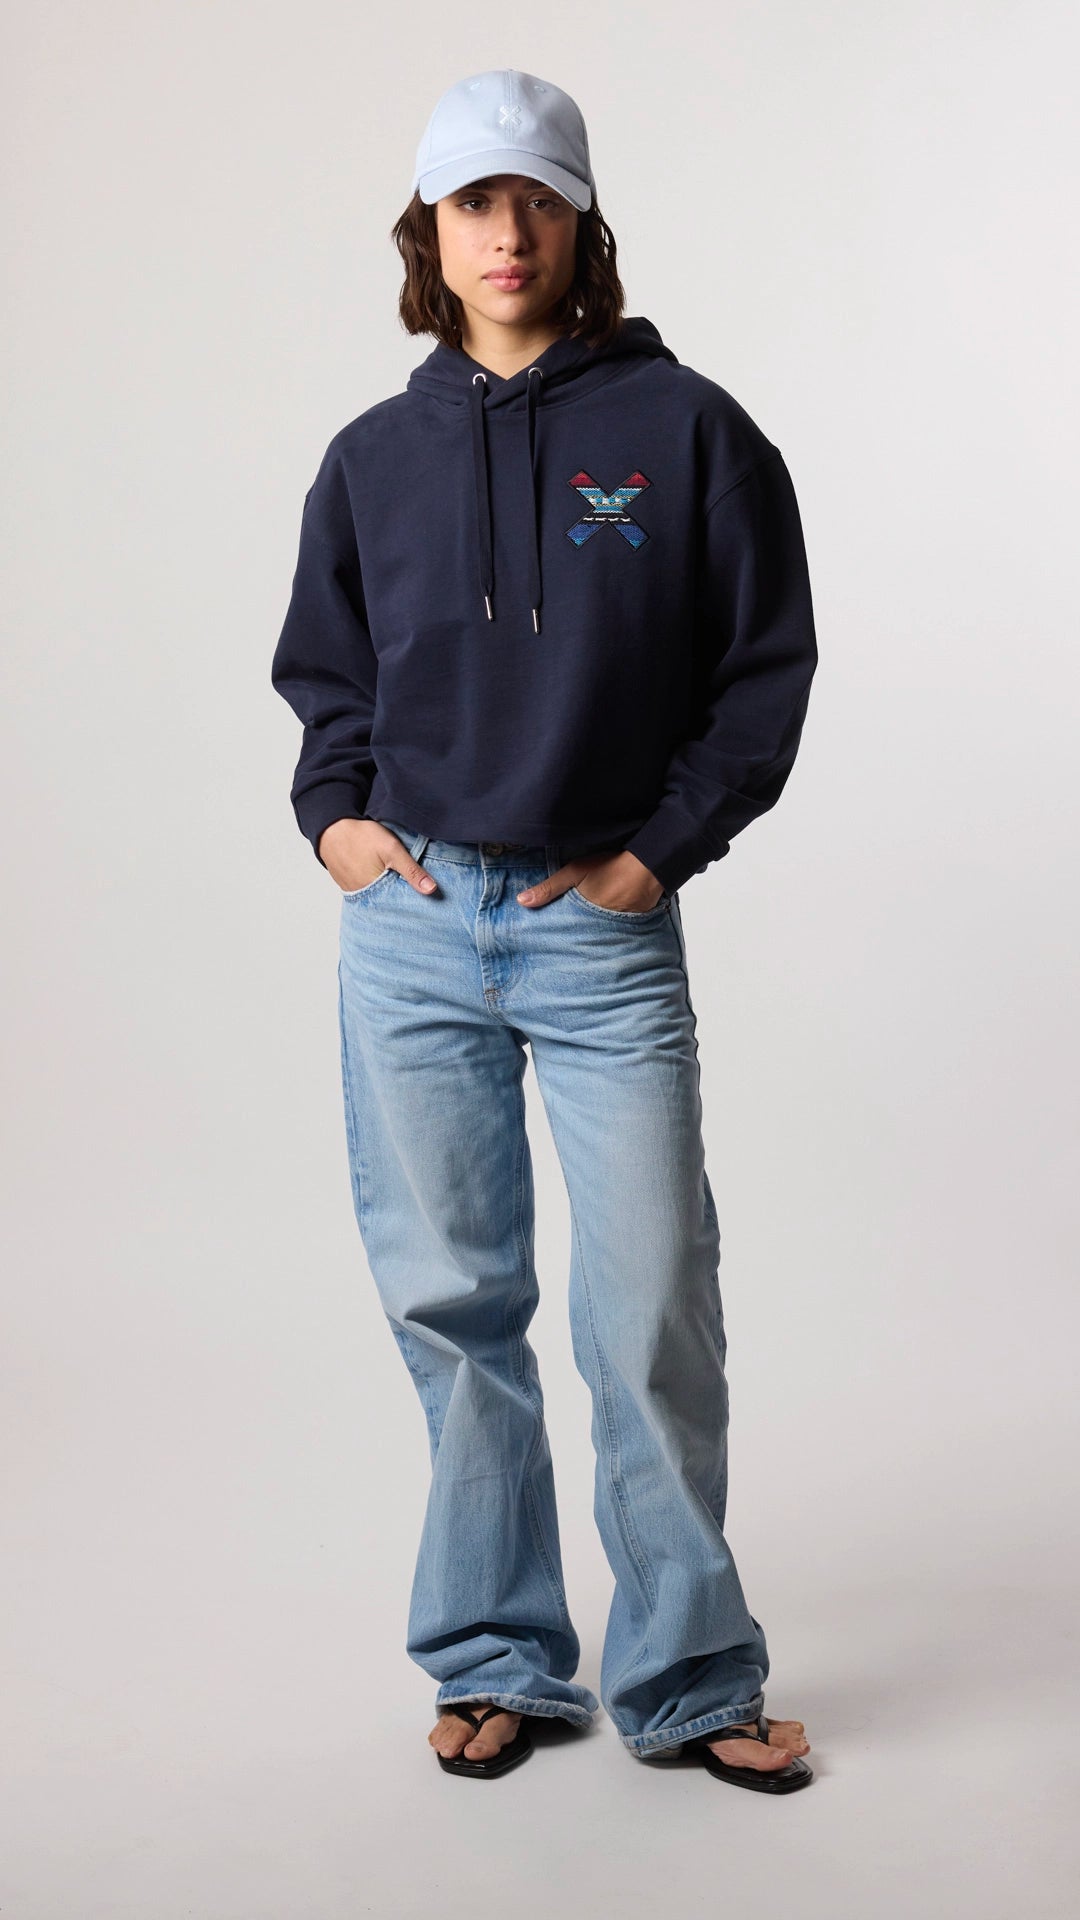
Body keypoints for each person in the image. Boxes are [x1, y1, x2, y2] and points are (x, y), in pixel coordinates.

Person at [271, 67, 818, 1793]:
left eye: (536, 198)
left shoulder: (689, 431)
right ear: (427, 234)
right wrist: (339, 824)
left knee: (651, 1303)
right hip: (416, 922)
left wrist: (659, 853)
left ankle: (692, 1676)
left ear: (582, 222)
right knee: (455, 1305)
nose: (505, 232)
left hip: (597, 925)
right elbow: (327, 674)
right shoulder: (372, 458)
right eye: (471, 202)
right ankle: (498, 1657)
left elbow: (762, 671)